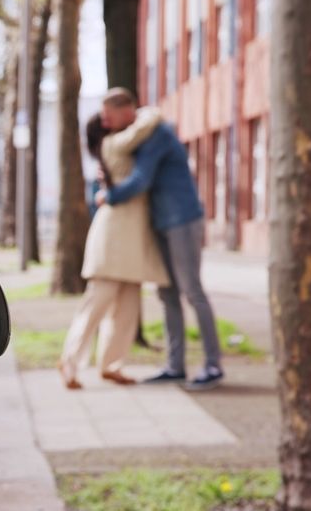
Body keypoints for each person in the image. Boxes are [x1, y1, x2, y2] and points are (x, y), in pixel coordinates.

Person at [97, 87, 224, 390]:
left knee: (192, 290)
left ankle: (213, 365)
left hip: (182, 220)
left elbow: (142, 180)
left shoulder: (157, 134)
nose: (104, 122)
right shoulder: (139, 136)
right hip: (160, 223)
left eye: (108, 115)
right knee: (167, 294)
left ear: (127, 111)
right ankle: (175, 366)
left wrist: (109, 196)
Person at [57, 113, 169, 389]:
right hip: (112, 236)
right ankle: (69, 362)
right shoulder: (114, 144)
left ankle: (112, 365)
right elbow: (146, 122)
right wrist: (142, 112)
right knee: (96, 303)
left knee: (127, 308)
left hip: (134, 236)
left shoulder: (118, 149)